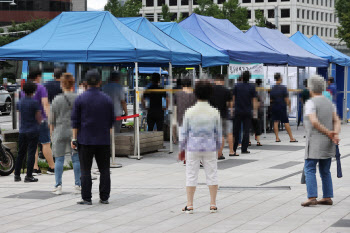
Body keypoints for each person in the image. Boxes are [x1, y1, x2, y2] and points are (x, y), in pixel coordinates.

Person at [71, 69, 114, 205]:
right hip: (103, 139)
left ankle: (87, 198)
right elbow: (111, 121)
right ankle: (104, 197)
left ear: (85, 83)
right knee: (104, 170)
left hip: (85, 139)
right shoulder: (107, 99)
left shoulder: (80, 99)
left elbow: (75, 121)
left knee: (85, 170)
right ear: (100, 82)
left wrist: (74, 138)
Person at [180, 80, 222, 214]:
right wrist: (218, 147)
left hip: (192, 147)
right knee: (212, 174)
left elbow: (184, 132)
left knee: (191, 174)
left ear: (195, 93)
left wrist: (182, 148)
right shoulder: (214, 112)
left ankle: (190, 204)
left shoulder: (190, 111)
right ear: (210, 94)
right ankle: (213, 204)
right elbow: (218, 133)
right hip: (210, 147)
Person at [302, 75, 341, 207]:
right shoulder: (330, 103)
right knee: (325, 170)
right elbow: (337, 120)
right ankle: (327, 196)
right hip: (328, 142)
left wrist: (328, 132)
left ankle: (312, 196)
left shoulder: (310, 103)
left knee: (310, 168)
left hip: (314, 141)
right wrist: (334, 133)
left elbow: (314, 121)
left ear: (311, 87)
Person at [50, 73, 81, 195]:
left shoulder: (57, 99)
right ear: (73, 84)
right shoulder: (78, 98)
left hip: (60, 131)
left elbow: (51, 120)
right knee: (76, 159)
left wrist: (52, 134)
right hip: (74, 132)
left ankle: (58, 185)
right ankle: (78, 185)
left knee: (59, 159)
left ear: (62, 84)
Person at [22, 69, 55, 175]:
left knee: (33, 144)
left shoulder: (24, 89)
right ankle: (52, 167)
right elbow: (45, 103)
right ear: (37, 77)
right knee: (45, 143)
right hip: (40, 119)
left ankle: (35, 168)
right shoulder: (40, 88)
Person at [14, 81, 41, 183]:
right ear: (33, 91)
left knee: (20, 152)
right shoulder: (34, 102)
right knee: (31, 153)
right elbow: (38, 117)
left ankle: (17, 175)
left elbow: (19, 114)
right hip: (33, 129)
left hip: (22, 130)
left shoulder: (20, 102)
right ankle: (28, 176)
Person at [209, 74, 234, 159]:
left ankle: (214, 152)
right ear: (223, 81)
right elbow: (230, 104)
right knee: (224, 134)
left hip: (213, 115)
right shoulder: (227, 90)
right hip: (224, 114)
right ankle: (220, 153)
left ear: (215, 80)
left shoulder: (211, 90)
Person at [232, 71, 257, 154]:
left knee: (236, 130)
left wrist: (232, 109)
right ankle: (244, 148)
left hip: (238, 110)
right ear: (249, 78)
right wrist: (255, 111)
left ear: (242, 77)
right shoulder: (252, 87)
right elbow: (254, 100)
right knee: (246, 131)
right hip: (247, 111)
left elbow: (233, 99)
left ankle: (234, 148)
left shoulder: (236, 86)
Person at [270, 73, 297, 143]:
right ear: (279, 78)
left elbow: (271, 100)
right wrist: (289, 106)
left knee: (275, 122)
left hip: (274, 107)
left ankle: (277, 138)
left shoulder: (272, 88)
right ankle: (291, 138)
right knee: (286, 122)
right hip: (282, 107)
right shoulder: (283, 88)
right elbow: (287, 99)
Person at [173, 78, 196, 144]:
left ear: (182, 85)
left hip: (181, 120)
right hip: (193, 121)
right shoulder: (195, 94)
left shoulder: (177, 94)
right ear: (190, 85)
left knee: (182, 142)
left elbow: (174, 107)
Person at [252, 79, 263, 146]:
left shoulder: (249, 95)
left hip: (249, 112)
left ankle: (249, 141)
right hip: (256, 112)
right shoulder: (257, 95)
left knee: (249, 127)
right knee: (257, 126)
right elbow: (258, 104)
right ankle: (258, 141)